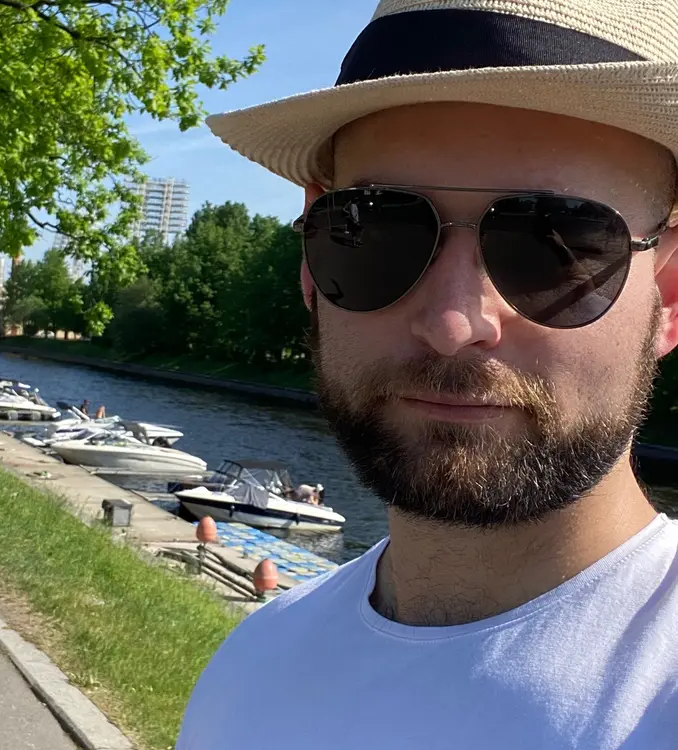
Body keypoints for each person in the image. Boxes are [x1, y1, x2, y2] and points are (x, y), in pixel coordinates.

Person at [175, 2, 678, 748]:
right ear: (311, 262)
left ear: (670, 296)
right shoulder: (248, 665)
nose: (452, 323)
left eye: (557, 247)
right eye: (371, 230)